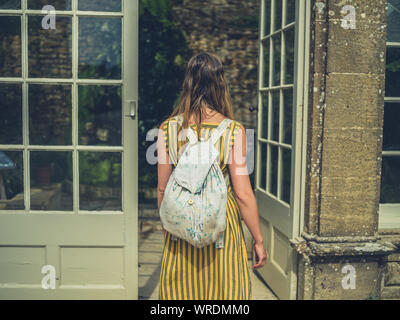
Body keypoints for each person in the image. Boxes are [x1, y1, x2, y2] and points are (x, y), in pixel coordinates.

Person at [156, 52, 267, 300]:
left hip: (181, 223)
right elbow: (243, 193)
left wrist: (168, 224)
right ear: (220, 84)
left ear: (188, 84)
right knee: (225, 291)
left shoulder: (167, 128)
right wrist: (258, 239)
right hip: (221, 225)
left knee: (181, 293)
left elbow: (162, 189)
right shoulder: (233, 131)